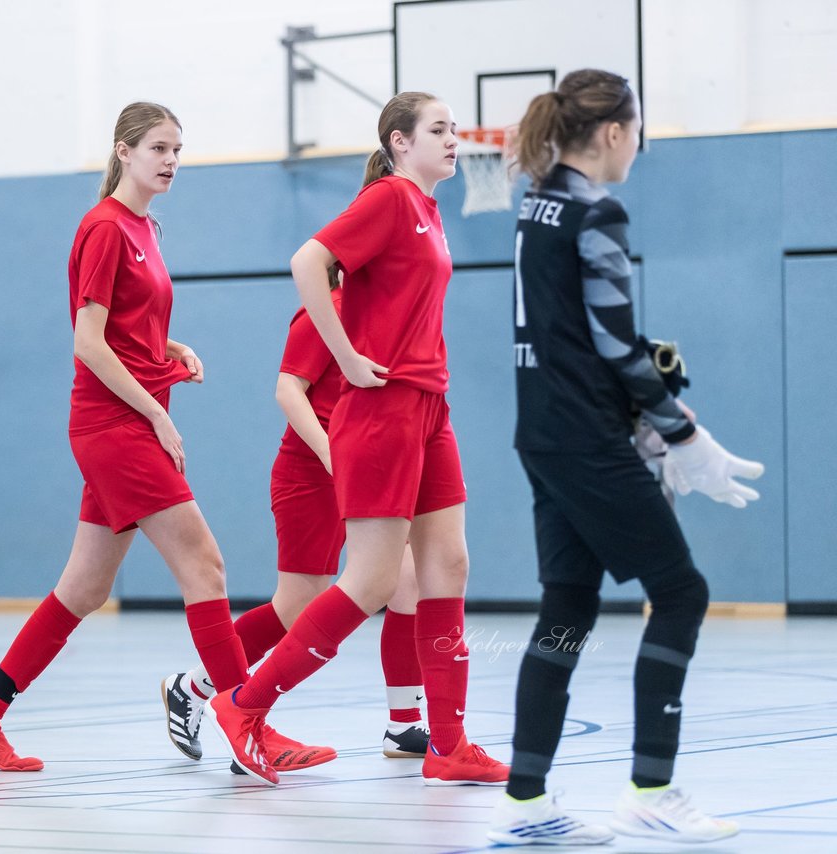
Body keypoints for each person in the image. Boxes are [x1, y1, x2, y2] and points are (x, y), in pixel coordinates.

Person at [0, 102, 327, 778]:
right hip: (113, 428)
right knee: (205, 567)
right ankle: (246, 718)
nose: (171, 160)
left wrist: (168, 349)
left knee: (84, 588)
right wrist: (156, 411)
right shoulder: (104, 229)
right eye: (158, 147)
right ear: (124, 151)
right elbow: (87, 343)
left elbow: (123, 327)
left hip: (123, 421)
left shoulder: (146, 228)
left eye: (178, 149)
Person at [486, 69, 763, 846]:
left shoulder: (535, 204)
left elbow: (575, 338)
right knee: (682, 593)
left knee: (567, 609)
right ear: (612, 133)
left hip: (543, 434)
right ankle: (652, 785)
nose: (637, 146)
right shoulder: (596, 209)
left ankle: (525, 802)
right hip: (583, 439)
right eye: (636, 132)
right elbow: (613, 341)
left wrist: (646, 414)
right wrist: (680, 433)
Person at [202, 91, 509, 788]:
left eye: (455, 129)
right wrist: (341, 356)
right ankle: (244, 707)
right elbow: (308, 260)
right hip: (383, 410)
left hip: (431, 406)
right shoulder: (393, 199)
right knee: (371, 579)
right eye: (439, 129)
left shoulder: (429, 211)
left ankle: (448, 743)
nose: (454, 139)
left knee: (448, 566)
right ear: (400, 142)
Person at [162, 267, 431, 770]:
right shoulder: (322, 311)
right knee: (297, 606)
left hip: (367, 468)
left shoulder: (389, 316)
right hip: (312, 472)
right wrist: (335, 457)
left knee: (407, 581)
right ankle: (196, 686)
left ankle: (403, 722)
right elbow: (289, 391)